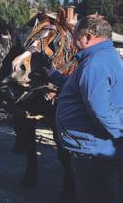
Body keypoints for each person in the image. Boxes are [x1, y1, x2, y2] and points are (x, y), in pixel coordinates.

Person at [46, 14, 123, 203]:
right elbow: (82, 90)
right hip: (96, 148)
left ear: (87, 37)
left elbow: (101, 110)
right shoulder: (103, 57)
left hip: (92, 152)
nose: (72, 41)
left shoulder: (95, 63)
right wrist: (54, 76)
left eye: (74, 36)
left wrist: (120, 136)